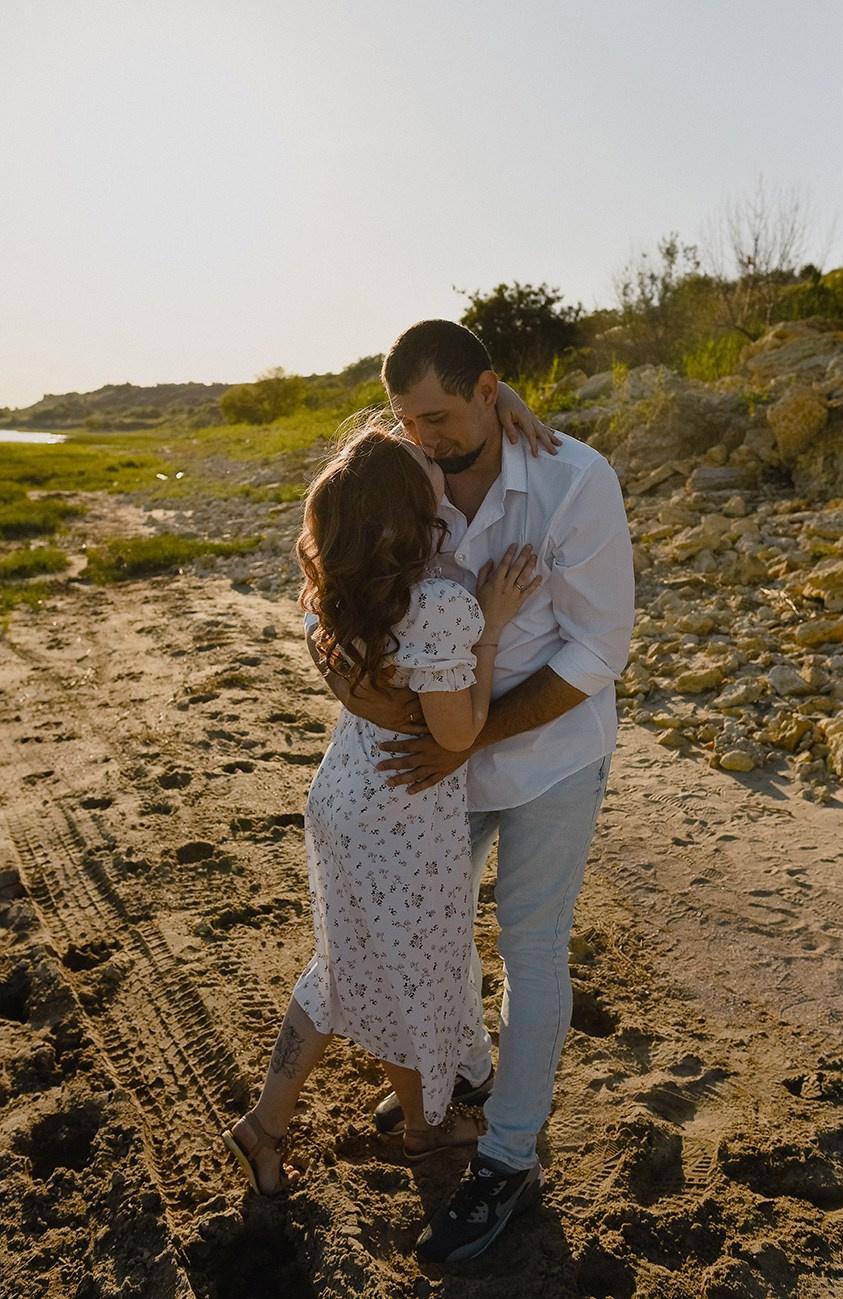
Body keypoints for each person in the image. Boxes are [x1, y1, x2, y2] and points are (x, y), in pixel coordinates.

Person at [328, 319, 635, 1263]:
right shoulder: (403, 476)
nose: (422, 435)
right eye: (405, 416)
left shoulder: (573, 480)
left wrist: (466, 742)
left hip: (544, 754)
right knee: (429, 920)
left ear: (491, 388)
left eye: (440, 415)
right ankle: (458, 1071)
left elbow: (597, 650)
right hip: (439, 758)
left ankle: (507, 1157)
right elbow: (340, 568)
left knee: (530, 947)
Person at [221, 423, 540, 1196]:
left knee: (343, 965)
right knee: (413, 971)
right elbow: (455, 731)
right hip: (401, 815)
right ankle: (425, 1128)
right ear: (408, 505)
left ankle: (262, 1125)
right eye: (420, 459)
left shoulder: (338, 583)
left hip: (341, 794)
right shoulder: (436, 602)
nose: (430, 452)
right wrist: (491, 626)